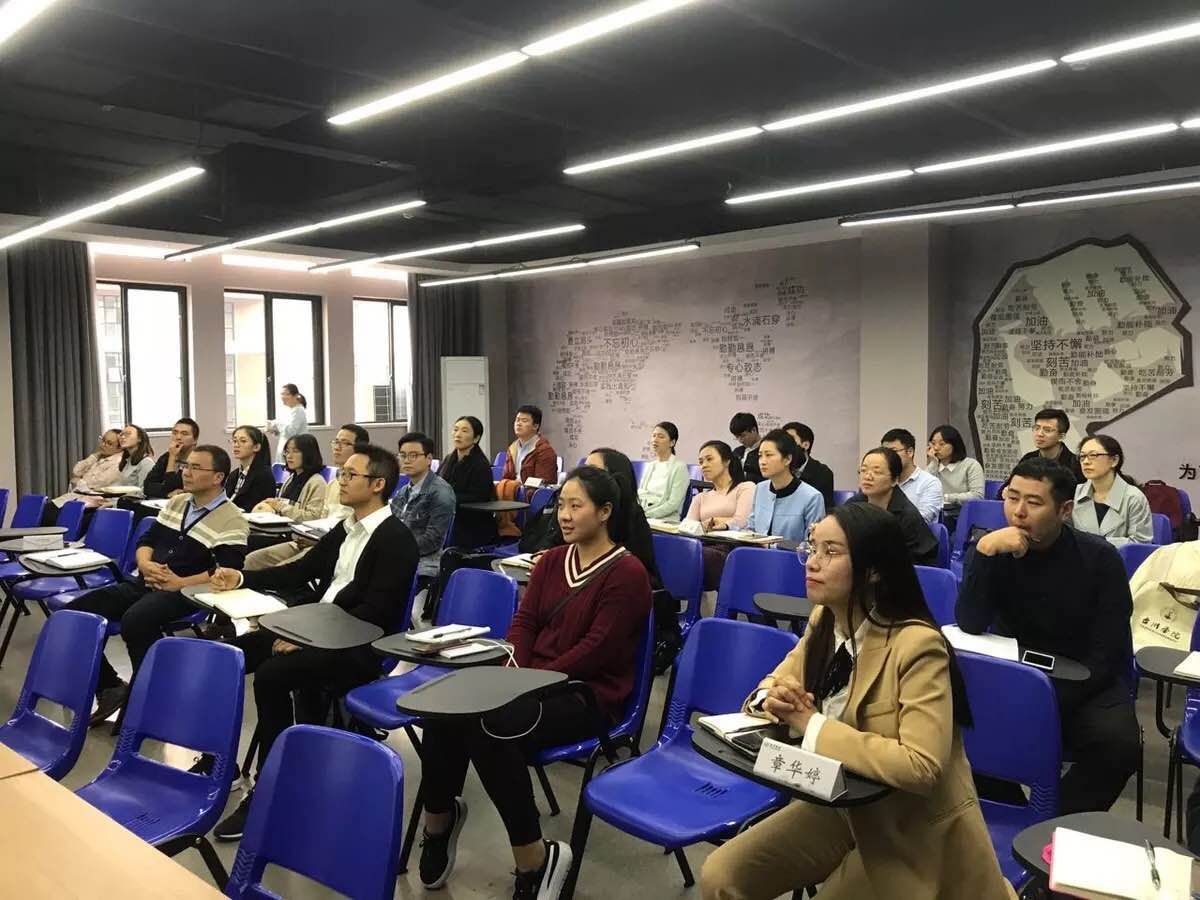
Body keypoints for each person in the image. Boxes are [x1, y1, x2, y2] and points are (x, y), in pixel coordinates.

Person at [700, 503, 1014, 900]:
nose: (813, 563)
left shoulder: (917, 645)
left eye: (830, 552)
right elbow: (779, 679)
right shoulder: (826, 618)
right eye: (812, 548)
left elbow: (922, 766)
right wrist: (771, 698)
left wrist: (811, 723)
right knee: (721, 876)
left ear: (874, 569)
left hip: (908, 824)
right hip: (836, 800)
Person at [415, 466, 651, 899]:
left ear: (604, 512)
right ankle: (439, 822)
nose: (564, 515)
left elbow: (597, 649)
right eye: (561, 505)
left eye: (576, 506)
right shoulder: (553, 560)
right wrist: (518, 672)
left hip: (587, 694)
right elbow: (524, 622)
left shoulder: (627, 573)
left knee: (489, 726)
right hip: (529, 683)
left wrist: (531, 681)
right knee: (446, 710)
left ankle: (534, 858)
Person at [209, 444, 419, 840]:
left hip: (358, 645)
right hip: (316, 627)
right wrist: (242, 578)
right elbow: (302, 569)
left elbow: (374, 614)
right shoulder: (347, 527)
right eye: (342, 473)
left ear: (377, 484)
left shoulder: (396, 539)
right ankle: (222, 762)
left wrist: (312, 640)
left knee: (272, 676)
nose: (341, 480)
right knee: (229, 655)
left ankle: (275, 788)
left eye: (350, 475)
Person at [957, 457, 1139, 814]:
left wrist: (1049, 697)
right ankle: (1013, 813)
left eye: (1034, 502)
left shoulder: (1100, 558)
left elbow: (1109, 650)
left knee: (1119, 746)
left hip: (1086, 680)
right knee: (963, 729)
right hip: (1017, 673)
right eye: (1012, 498)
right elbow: (970, 622)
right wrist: (983, 553)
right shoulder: (996, 548)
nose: (1018, 512)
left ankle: (1053, 825)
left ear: (1065, 510)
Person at [64, 445, 249, 725]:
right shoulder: (178, 502)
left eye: (196, 468)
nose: (186, 472)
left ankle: (151, 698)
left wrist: (180, 583)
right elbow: (146, 540)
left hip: (189, 592)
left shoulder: (232, 518)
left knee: (136, 620)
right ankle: (111, 687)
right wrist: (145, 564)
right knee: (73, 614)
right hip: (146, 580)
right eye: (186, 465)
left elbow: (226, 570)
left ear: (218, 477)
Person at [522, 448, 660, 587]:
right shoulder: (568, 514)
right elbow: (553, 540)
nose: (565, 516)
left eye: (592, 470)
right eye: (562, 505)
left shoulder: (631, 516)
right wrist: (545, 556)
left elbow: (641, 574)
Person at [242, 424, 366, 571]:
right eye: (336, 442)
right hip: (306, 538)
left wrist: (281, 507)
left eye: (345, 443)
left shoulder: (322, 482)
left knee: (279, 568)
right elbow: (322, 518)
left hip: (321, 542)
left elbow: (317, 518)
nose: (337, 447)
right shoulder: (331, 483)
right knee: (252, 559)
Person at [390, 432, 457, 590]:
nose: (407, 460)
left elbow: (432, 540)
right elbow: (390, 526)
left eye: (413, 455)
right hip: (399, 556)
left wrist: (396, 549)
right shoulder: (403, 491)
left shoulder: (441, 492)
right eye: (403, 455)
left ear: (428, 459)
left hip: (425, 563)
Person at [850, 447, 938, 566]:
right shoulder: (853, 505)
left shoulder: (907, 515)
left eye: (877, 472)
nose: (867, 477)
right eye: (863, 470)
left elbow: (916, 562)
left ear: (894, 480)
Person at [686, 440, 755, 590]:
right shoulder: (701, 497)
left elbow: (742, 521)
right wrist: (713, 523)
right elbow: (688, 526)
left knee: (693, 555)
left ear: (726, 461)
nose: (704, 465)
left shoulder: (745, 488)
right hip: (702, 545)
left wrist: (716, 523)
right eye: (701, 462)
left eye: (709, 459)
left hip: (731, 549)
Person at [734, 429, 824, 543]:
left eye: (769, 455)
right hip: (757, 552)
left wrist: (774, 546)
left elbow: (813, 544)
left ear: (787, 459)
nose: (762, 461)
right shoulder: (760, 488)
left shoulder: (812, 497)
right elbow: (751, 528)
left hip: (790, 554)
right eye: (760, 456)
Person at [1071, 434, 1153, 546]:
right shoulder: (1077, 492)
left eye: (1093, 455)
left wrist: (1099, 543)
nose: (1085, 461)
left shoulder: (1133, 497)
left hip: (1120, 557)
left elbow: (1141, 545)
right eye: (1082, 456)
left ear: (1114, 460)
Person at [440, 415, 498, 549]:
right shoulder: (449, 459)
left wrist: (447, 498)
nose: (458, 434)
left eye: (464, 431)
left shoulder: (481, 464)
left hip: (471, 523)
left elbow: (479, 497)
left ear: (476, 438)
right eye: (455, 430)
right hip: (448, 516)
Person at [250, 433, 326, 526]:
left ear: (308, 454)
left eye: (295, 451)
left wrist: (279, 506)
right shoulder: (291, 478)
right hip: (283, 526)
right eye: (287, 451)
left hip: (297, 531)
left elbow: (313, 518)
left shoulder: (317, 482)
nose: (289, 456)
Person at [925, 424, 984, 533]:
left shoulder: (971, 465)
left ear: (954, 444)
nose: (936, 448)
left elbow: (977, 496)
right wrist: (933, 462)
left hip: (963, 518)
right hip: (938, 515)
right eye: (933, 443)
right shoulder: (934, 466)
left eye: (942, 444)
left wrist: (948, 497)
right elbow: (924, 487)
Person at [880, 428, 943, 523]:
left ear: (910, 452)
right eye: (884, 452)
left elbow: (922, 519)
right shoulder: (883, 481)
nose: (887, 457)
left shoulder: (930, 483)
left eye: (893, 452)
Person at [638, 421, 689, 523]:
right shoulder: (650, 466)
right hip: (645, 516)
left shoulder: (679, 467)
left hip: (667, 520)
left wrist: (646, 514)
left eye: (661, 436)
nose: (655, 440)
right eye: (653, 436)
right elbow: (640, 494)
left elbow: (673, 504)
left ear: (672, 443)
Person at [1017, 408, 1084, 484]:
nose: (1039, 434)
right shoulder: (1028, 459)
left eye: (1047, 430)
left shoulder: (1076, 465)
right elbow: (1010, 485)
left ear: (1061, 436)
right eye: (1037, 428)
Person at [142, 418, 200, 499]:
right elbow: (147, 486)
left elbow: (172, 486)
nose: (178, 437)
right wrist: (167, 494)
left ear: (195, 440)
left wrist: (172, 456)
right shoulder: (166, 457)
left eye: (184, 434)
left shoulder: (199, 460)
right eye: (175, 433)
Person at [782, 421, 834, 510]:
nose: (785, 445)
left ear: (805, 445)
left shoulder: (823, 473)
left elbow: (823, 509)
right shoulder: (779, 469)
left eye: (790, 439)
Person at [501, 404, 558, 484]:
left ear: (535, 426)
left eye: (524, 421)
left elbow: (543, 483)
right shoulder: (512, 448)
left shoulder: (544, 451)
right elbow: (506, 477)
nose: (518, 423)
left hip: (530, 491)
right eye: (517, 420)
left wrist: (517, 487)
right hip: (513, 491)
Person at [225, 425, 276, 512]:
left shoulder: (263, 475)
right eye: (234, 441)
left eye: (243, 441)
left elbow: (254, 508)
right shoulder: (233, 475)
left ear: (256, 447)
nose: (236, 445)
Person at [266, 382, 308, 464]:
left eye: (287, 394)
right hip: (285, 448)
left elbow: (291, 431)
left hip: (295, 448)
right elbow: (284, 432)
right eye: (282, 394)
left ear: (296, 396)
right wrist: (274, 430)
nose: (283, 397)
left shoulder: (299, 410)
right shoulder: (288, 411)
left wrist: (276, 425)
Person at [728, 412, 763, 483]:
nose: (740, 440)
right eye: (737, 437)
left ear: (753, 430)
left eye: (743, 435)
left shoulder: (767, 450)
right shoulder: (737, 452)